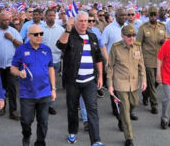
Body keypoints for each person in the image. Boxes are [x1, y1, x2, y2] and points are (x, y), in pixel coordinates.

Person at [56, 11, 105, 146]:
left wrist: (100, 76)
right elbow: (60, 45)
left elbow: (98, 58)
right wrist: (67, 29)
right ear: (76, 22)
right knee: (72, 108)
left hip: (89, 80)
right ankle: (72, 132)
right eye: (81, 21)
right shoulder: (70, 36)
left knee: (93, 110)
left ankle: (96, 140)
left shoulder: (92, 36)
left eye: (86, 21)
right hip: (73, 81)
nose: (84, 23)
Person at [11, 25, 56, 146]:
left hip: (45, 92)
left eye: (41, 33)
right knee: (26, 121)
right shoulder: (21, 50)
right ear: (28, 36)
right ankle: (26, 135)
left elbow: (51, 68)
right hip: (27, 93)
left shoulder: (46, 49)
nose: (39, 36)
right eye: (36, 34)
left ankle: (40, 142)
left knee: (43, 122)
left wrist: (53, 88)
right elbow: (13, 68)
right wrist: (19, 72)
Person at [107, 25, 147, 146]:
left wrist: (144, 80)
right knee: (125, 109)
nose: (131, 38)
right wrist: (110, 85)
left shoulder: (138, 47)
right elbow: (110, 67)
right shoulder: (116, 48)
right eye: (128, 36)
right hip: (120, 83)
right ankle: (129, 138)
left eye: (133, 35)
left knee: (134, 104)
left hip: (134, 83)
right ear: (122, 36)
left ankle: (122, 120)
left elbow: (141, 65)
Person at [0, 12, 23, 120]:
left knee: (12, 88)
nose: (6, 22)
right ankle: (2, 107)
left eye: (7, 20)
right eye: (3, 20)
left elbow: (21, 45)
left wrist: (11, 38)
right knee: (0, 88)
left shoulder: (13, 31)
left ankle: (13, 110)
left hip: (11, 65)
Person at [136, 6, 168, 114]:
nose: (153, 16)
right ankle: (154, 104)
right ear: (148, 15)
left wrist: (165, 40)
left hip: (160, 59)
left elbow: (167, 39)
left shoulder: (162, 27)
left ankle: (146, 94)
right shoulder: (143, 28)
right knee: (150, 81)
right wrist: (138, 59)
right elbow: (138, 44)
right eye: (151, 14)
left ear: (158, 15)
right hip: (148, 59)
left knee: (157, 81)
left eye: (155, 14)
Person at [41, 9, 64, 115]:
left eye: (53, 15)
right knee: (42, 82)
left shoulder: (60, 29)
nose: (51, 17)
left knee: (51, 84)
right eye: (49, 15)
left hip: (55, 60)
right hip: (41, 61)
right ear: (45, 16)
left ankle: (50, 105)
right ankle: (41, 104)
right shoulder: (40, 28)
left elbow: (63, 43)